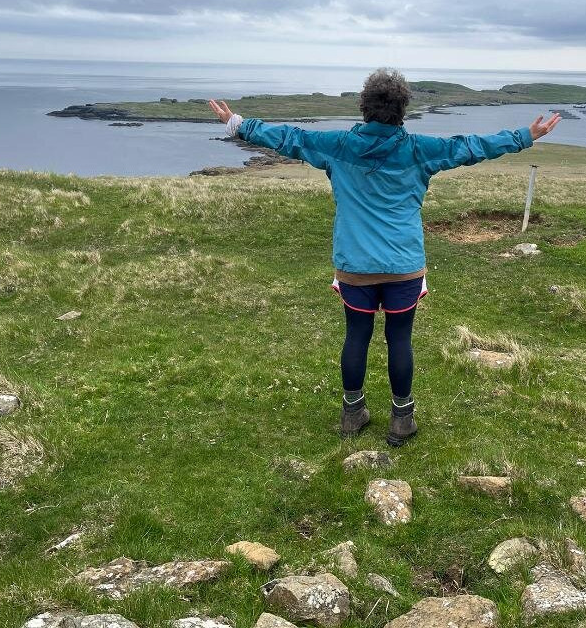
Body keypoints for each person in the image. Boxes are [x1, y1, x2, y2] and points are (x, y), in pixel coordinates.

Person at [208, 68, 560, 446]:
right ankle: (401, 420)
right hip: (404, 266)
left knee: (356, 336)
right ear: (402, 110)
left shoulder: (338, 146)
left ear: (364, 107)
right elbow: (471, 145)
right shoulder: (420, 150)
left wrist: (238, 124)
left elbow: (290, 138)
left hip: (354, 267)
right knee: (400, 338)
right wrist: (525, 136)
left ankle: (352, 413)